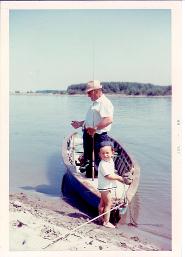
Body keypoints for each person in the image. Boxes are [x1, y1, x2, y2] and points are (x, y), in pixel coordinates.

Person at [71, 80, 114, 177]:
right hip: (89, 135)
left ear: (97, 91)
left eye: (89, 92)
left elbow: (108, 119)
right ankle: (89, 175)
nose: (88, 95)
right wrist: (80, 123)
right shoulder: (95, 103)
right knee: (88, 159)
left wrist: (95, 128)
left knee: (98, 161)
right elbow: (91, 120)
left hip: (98, 136)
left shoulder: (104, 103)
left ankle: (99, 181)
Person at [98, 141, 124, 228]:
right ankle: (106, 222)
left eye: (107, 153)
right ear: (99, 154)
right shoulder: (103, 164)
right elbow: (108, 176)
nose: (105, 155)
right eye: (103, 153)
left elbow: (111, 172)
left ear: (112, 153)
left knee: (102, 203)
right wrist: (120, 178)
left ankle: (100, 217)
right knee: (109, 203)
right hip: (104, 187)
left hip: (106, 186)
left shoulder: (110, 161)